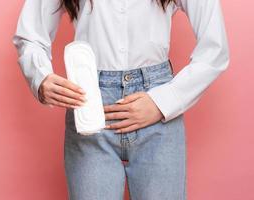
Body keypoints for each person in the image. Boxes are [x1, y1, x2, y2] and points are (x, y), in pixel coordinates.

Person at [12, 0, 230, 199]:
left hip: (156, 108)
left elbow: (215, 49)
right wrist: (40, 77)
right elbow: (30, 36)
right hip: (90, 106)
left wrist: (162, 101)